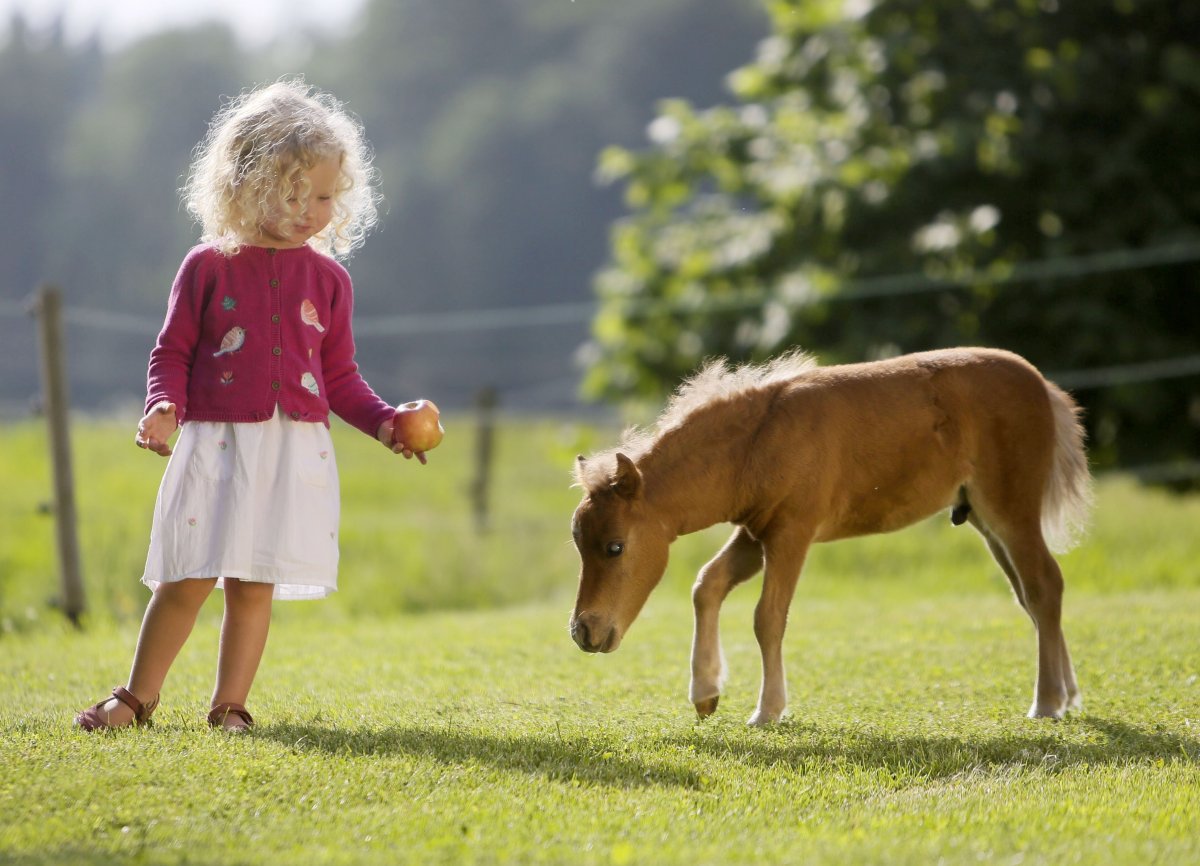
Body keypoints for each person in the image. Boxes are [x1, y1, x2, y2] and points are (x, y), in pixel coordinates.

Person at [75, 77, 426, 732]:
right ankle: (138, 696)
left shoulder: (329, 280)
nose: (310, 210)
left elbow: (340, 377)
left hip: (291, 448)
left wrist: (385, 424)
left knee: (253, 583)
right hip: (217, 444)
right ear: (247, 184)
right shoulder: (208, 265)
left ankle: (229, 704)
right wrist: (162, 407)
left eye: (323, 196)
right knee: (186, 578)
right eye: (295, 194)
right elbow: (172, 353)